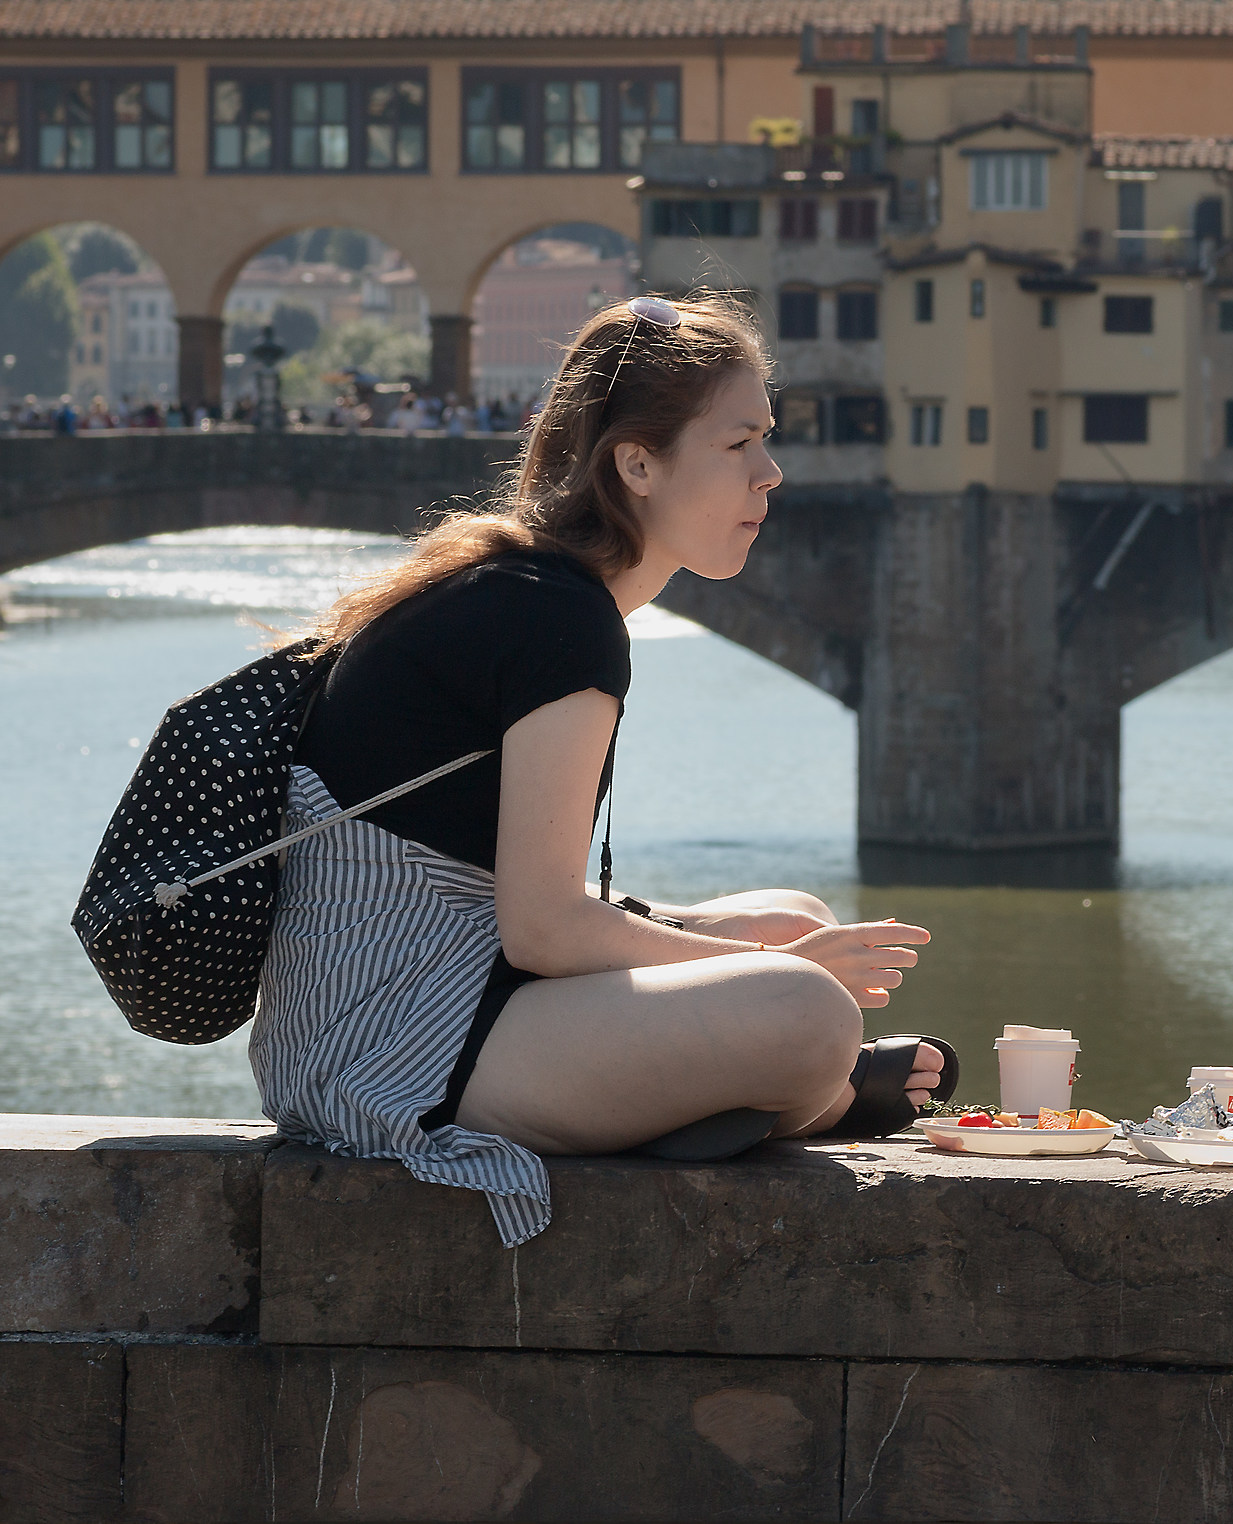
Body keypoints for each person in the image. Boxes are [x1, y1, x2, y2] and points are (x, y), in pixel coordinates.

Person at [253, 294, 947, 1246]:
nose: (771, 475)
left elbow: (506, 902)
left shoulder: (534, 591)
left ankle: (746, 1098)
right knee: (809, 1009)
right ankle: (820, 1098)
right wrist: (766, 967)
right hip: (392, 1045)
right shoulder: (558, 620)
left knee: (799, 916)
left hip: (413, 998)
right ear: (638, 463)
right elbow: (543, 928)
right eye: (741, 444)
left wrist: (765, 941)